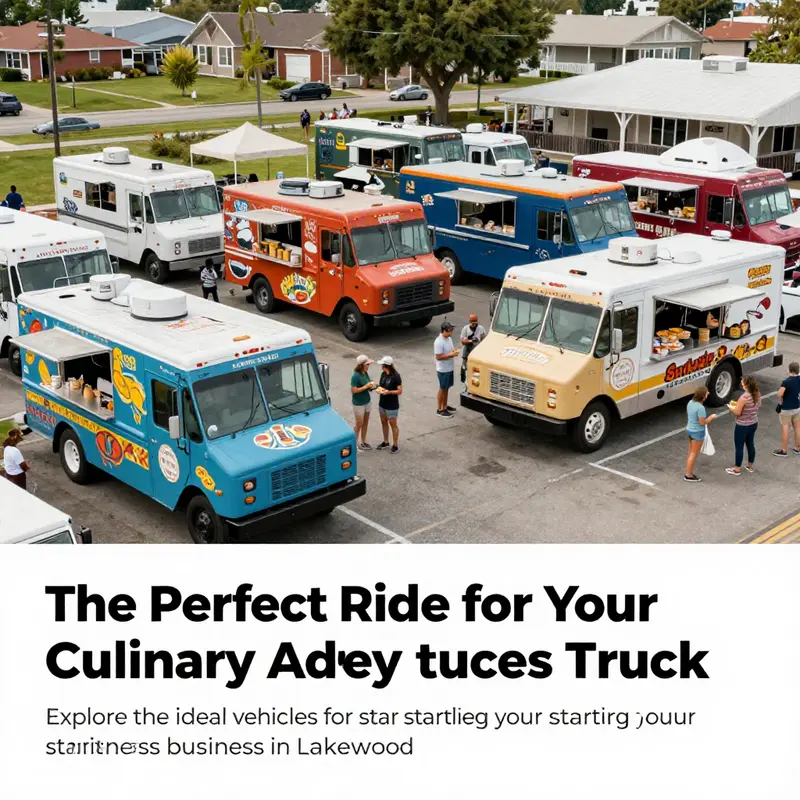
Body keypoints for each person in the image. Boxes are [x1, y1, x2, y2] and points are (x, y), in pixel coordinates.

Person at [727, 375, 761, 476]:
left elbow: (738, 412)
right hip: (753, 422)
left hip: (742, 425)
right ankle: (750, 465)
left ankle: (737, 468)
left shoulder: (743, 397)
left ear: (745, 385)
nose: (741, 383)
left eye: (742, 382)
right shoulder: (757, 394)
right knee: (750, 444)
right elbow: (758, 405)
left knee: (739, 446)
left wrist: (731, 408)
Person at [684, 387, 716, 483]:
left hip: (690, 429)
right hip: (697, 432)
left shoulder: (690, 403)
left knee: (690, 453)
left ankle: (688, 471)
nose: (707, 395)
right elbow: (702, 422)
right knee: (694, 454)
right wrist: (711, 417)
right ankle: (688, 475)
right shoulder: (700, 408)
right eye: (706, 394)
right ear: (702, 397)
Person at [376, 356, 402, 453]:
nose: (381, 366)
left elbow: (399, 391)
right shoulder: (383, 374)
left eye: (382, 365)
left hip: (392, 405)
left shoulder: (396, 376)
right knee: (383, 422)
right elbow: (381, 386)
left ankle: (395, 445)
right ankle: (386, 441)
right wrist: (378, 389)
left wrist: (389, 392)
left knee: (393, 424)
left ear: (386, 365)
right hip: (382, 403)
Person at [774, 361, 800, 457]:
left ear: (790, 370)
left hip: (787, 409)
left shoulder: (786, 382)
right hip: (797, 407)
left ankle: (783, 450)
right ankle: (797, 448)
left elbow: (780, 394)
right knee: (797, 428)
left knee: (785, 428)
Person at [434, 321, 459, 417]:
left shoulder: (449, 339)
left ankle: (445, 405)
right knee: (442, 388)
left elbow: (450, 350)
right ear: (444, 331)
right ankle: (440, 409)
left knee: (446, 388)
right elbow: (438, 357)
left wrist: (454, 352)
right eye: (449, 330)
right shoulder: (438, 342)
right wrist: (451, 355)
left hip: (449, 367)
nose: (451, 332)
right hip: (443, 369)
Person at [351, 354, 375, 451]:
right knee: (359, 423)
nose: (368, 366)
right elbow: (354, 390)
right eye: (367, 364)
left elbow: (368, 384)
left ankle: (363, 441)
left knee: (365, 422)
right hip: (358, 404)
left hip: (367, 401)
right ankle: (355, 444)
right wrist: (366, 387)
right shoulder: (355, 376)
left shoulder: (365, 373)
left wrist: (372, 387)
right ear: (362, 365)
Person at [460, 313, 487, 385]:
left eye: (475, 321)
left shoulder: (481, 328)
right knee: (465, 368)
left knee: (476, 369)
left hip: (476, 352)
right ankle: (465, 383)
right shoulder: (465, 329)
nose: (473, 323)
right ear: (469, 321)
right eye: (472, 321)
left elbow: (484, 339)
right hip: (467, 351)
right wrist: (471, 341)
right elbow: (463, 341)